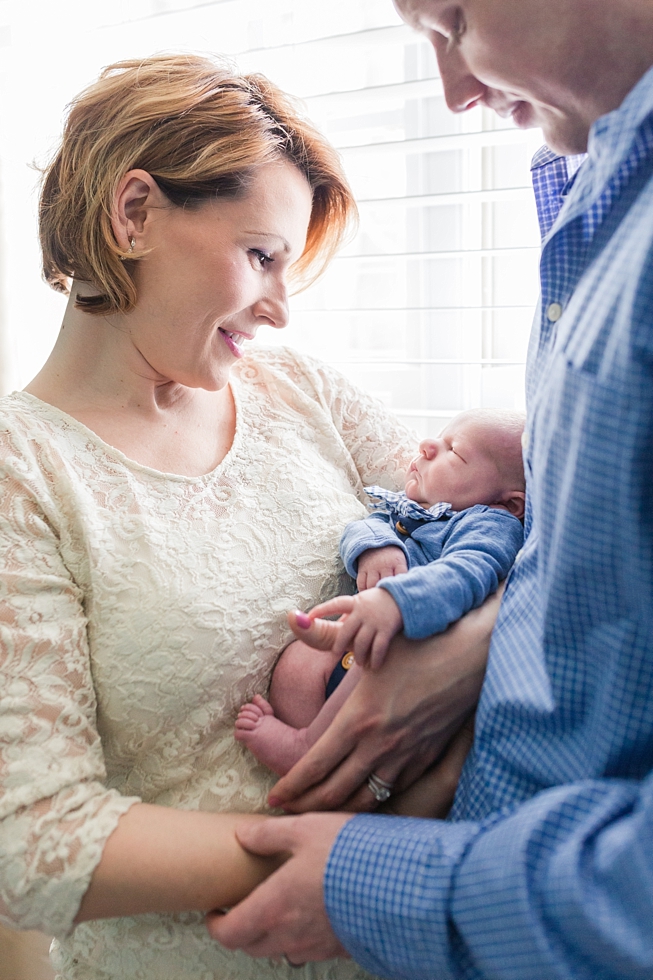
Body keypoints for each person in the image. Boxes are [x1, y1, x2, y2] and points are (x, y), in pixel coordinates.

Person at [208, 1, 653, 977]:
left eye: (451, 18)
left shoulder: (317, 400)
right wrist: (477, 640)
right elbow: (600, 560)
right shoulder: (596, 207)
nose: (451, 91)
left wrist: (392, 884)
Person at [0, 51, 443, 980]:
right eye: (260, 257)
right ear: (133, 214)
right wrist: (369, 851)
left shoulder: (305, 394)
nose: (281, 308)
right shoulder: (20, 474)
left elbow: (480, 539)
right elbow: (33, 842)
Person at [235, 409, 525, 778]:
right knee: (299, 660)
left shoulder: (488, 523)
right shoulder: (406, 509)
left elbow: (469, 571)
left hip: (412, 641)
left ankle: (308, 748)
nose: (428, 445)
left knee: (378, 669)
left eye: (455, 451)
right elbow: (362, 527)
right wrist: (377, 547)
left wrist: (398, 599)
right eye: (439, 436)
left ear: (508, 503)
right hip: (357, 637)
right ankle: (303, 735)